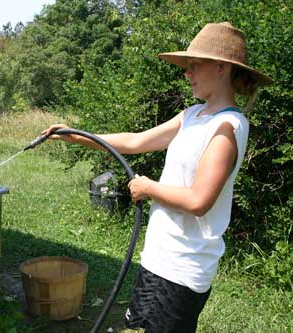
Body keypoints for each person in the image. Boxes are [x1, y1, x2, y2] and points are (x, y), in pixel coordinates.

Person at [42, 22, 272, 333]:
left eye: (194, 66)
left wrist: (148, 187)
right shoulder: (193, 115)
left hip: (183, 268)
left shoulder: (226, 127)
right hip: (160, 256)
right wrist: (75, 135)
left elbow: (199, 200)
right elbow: (136, 141)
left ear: (220, 68)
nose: (187, 73)